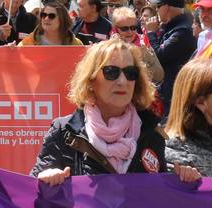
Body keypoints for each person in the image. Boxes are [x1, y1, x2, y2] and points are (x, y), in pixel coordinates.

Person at [30, 39, 187, 182]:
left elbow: (161, 201)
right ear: (90, 80)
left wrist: (185, 183)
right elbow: (32, 200)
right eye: (111, 72)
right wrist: (44, 181)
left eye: (130, 73)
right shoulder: (63, 132)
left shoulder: (151, 133)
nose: (122, 81)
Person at [144, 0, 194, 108]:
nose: (156, 11)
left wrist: (151, 33)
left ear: (166, 7)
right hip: (168, 84)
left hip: (175, 87)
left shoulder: (182, 30)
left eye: (158, 7)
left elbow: (160, 55)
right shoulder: (173, 25)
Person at [109, 6, 164, 84]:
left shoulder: (144, 42)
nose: (130, 32)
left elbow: (158, 76)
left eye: (133, 27)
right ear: (115, 29)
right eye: (124, 29)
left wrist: (146, 56)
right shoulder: (108, 47)